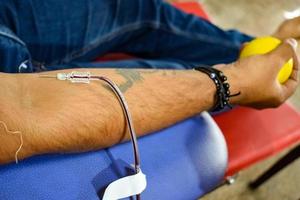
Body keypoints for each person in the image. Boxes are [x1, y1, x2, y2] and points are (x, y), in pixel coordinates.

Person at [0, 0, 299, 164]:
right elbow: (27, 110)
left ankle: (268, 54)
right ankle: (259, 76)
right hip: (14, 89)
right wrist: (231, 83)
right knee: (180, 74)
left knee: (134, 9)